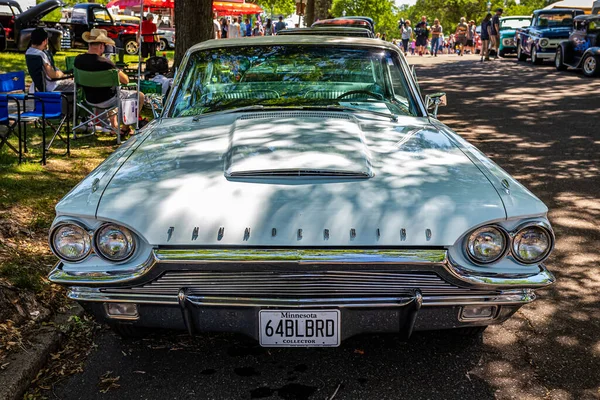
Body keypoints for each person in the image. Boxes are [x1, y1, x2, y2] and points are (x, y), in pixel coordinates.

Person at [74, 29, 144, 134]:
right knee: (140, 96)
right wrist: (119, 71)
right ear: (101, 46)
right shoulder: (106, 63)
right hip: (108, 100)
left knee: (114, 92)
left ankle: (114, 126)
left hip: (89, 100)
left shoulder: (78, 60)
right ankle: (125, 128)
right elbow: (125, 80)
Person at [25, 27, 73, 92]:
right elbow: (52, 75)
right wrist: (62, 74)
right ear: (45, 41)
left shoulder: (29, 52)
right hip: (53, 86)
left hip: (39, 87)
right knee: (78, 84)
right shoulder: (41, 54)